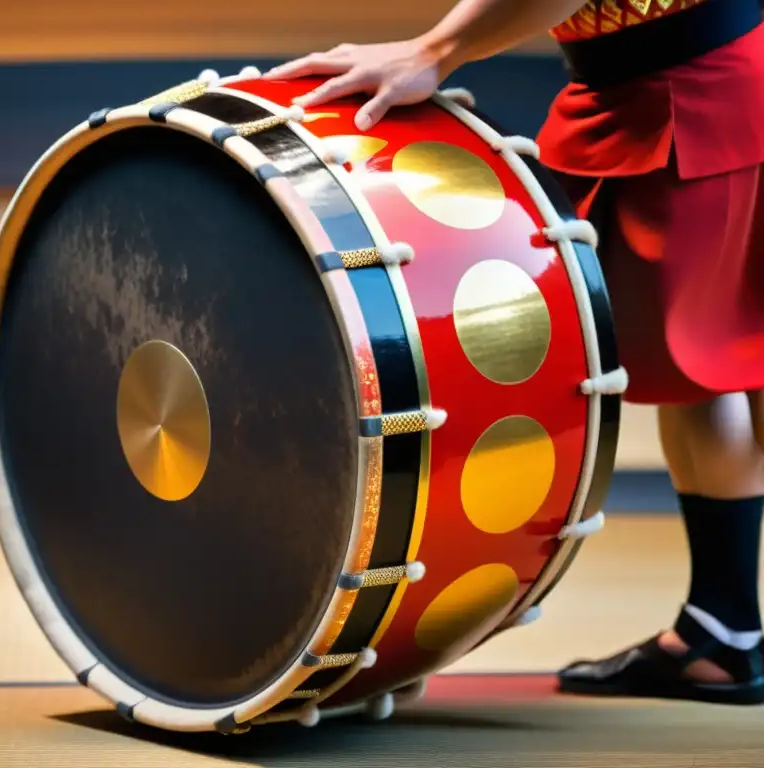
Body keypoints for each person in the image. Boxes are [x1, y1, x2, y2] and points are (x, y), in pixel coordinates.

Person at [265, 0, 764, 705]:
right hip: (655, 88)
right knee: (714, 370)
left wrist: (437, 49)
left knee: (718, 362)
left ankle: (725, 633)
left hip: (700, 88)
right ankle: (723, 630)